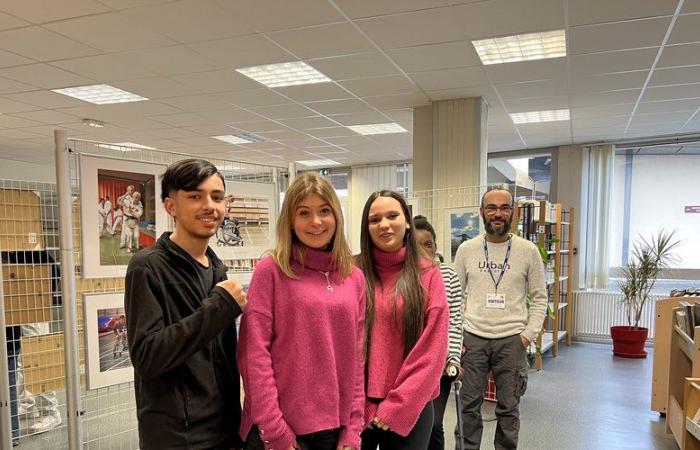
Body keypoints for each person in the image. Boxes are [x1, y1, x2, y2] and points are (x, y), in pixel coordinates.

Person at [125, 158, 247, 450]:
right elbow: (147, 356)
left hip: (226, 428)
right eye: (195, 196)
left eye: (217, 197)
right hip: (178, 438)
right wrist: (219, 307)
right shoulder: (148, 266)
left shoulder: (216, 268)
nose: (210, 206)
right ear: (171, 206)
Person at [238, 172, 366, 450]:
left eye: (324, 211)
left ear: (336, 216)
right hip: (283, 431)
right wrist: (275, 430)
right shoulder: (271, 270)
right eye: (304, 213)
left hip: (336, 432)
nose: (316, 222)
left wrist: (353, 429)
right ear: (291, 222)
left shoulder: (353, 277)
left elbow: (356, 359)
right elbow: (254, 353)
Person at [452, 188, 547, 450]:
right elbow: (455, 296)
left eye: (504, 208)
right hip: (473, 339)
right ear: (482, 212)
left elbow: (540, 298)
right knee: (468, 407)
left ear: (513, 212)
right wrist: (458, 337)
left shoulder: (528, 251)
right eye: (491, 207)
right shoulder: (466, 250)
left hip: (511, 341)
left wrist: (527, 336)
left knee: (509, 409)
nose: (498, 213)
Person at [357, 190, 448, 450]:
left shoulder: (428, 274)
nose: (384, 225)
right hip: (357, 407)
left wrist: (398, 406)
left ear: (407, 221)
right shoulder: (353, 272)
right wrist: (360, 403)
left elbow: (433, 351)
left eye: (392, 216)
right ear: (367, 227)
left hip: (411, 405)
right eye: (375, 220)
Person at [412, 215, 463, 450]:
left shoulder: (448, 276)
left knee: (434, 424)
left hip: (439, 366)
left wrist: (453, 357)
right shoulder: (403, 278)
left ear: (435, 246)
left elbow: (454, 322)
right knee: (412, 426)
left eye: (428, 244)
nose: (423, 250)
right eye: (416, 244)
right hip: (410, 367)